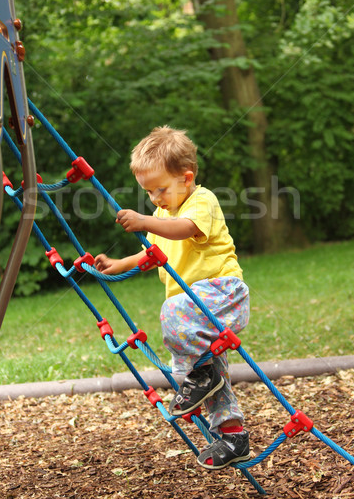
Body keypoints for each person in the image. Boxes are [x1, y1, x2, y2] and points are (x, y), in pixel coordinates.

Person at [94, 126, 250, 469]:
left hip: (222, 294)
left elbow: (184, 229)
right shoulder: (162, 215)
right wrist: (118, 263)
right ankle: (233, 436)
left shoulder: (201, 201)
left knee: (173, 313)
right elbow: (153, 254)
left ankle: (202, 375)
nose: (155, 199)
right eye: (148, 192)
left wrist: (144, 220)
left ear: (186, 178)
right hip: (196, 313)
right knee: (209, 382)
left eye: (160, 189)